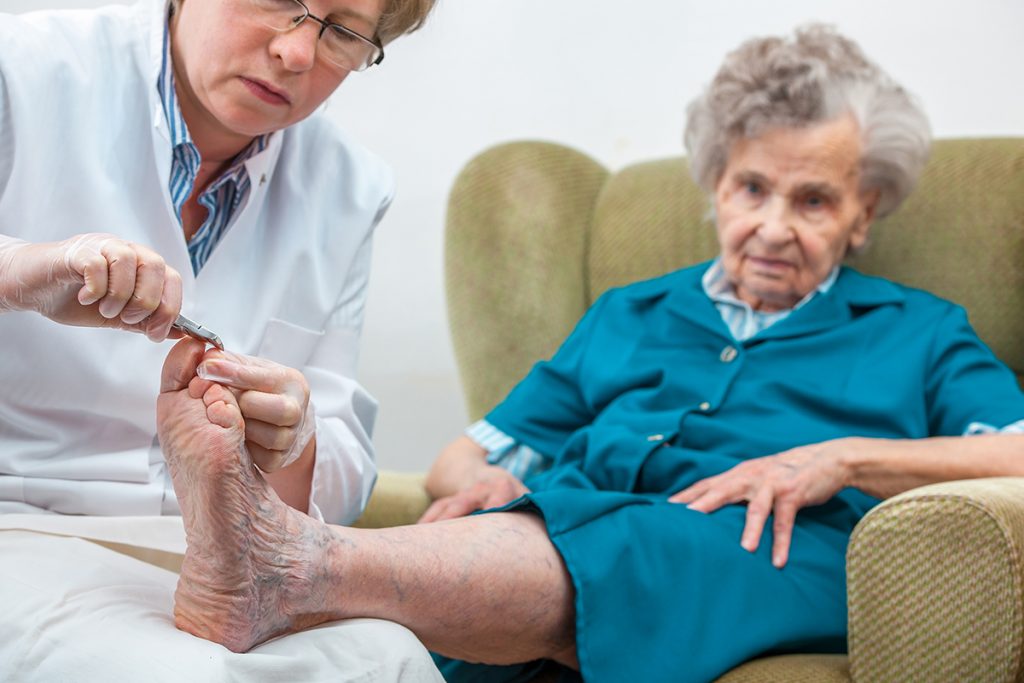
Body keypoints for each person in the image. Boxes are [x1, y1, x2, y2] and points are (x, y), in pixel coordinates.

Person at [155, 24, 1024, 683]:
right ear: (716, 186)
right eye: (752, 187)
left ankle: (290, 564)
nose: (772, 225)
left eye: (815, 201)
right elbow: (471, 453)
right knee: (451, 596)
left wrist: (840, 457)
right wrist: (475, 485)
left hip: (773, 551)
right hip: (566, 525)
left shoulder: (919, 329)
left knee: (642, 539)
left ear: (864, 215)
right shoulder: (631, 312)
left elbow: (1014, 450)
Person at [0, 0, 434, 523]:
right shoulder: (20, 66)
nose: (295, 52)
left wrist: (293, 442)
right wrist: (17, 273)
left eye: (342, 32)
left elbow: (340, 486)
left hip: (209, 541)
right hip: (19, 517)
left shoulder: (350, 187)